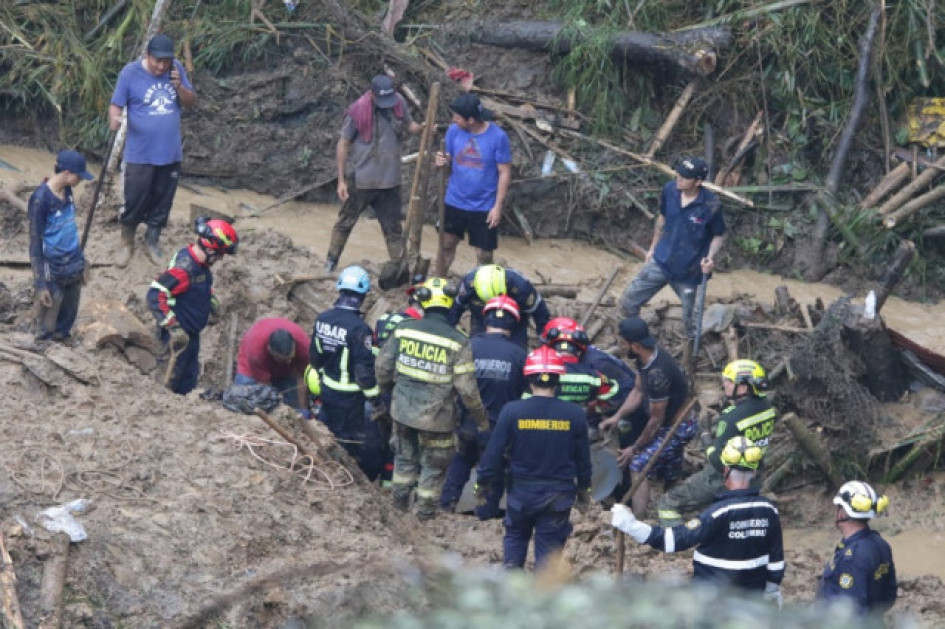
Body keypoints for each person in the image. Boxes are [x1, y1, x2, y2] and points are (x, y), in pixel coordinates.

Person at [611, 436, 784, 603]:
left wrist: (631, 525)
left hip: (712, 601)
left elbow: (673, 540)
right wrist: (772, 590)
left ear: (725, 470)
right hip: (752, 601)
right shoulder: (769, 510)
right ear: (754, 471)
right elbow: (776, 559)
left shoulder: (717, 513)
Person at [376, 277, 488, 520]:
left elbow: (383, 368)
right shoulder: (458, 340)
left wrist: (385, 393)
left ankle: (399, 511)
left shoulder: (404, 329)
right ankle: (425, 519)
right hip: (438, 420)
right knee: (434, 468)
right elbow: (467, 390)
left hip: (402, 413)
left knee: (404, 461)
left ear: (423, 301)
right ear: (450, 303)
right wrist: (481, 420)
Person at [477, 345, 592, 570]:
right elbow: (583, 461)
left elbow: (493, 454)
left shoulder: (512, 411)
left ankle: (513, 585)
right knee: (549, 556)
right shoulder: (574, 414)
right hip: (558, 496)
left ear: (529, 379)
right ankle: (543, 591)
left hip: (521, 494)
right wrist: (584, 489)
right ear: (558, 380)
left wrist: (482, 483)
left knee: (515, 539)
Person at [618, 156, 725, 364]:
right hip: (661, 261)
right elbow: (662, 219)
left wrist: (710, 258)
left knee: (691, 322)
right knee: (629, 301)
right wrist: (652, 249)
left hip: (690, 272)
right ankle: (636, 343)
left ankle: (688, 357)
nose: (679, 179)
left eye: (685, 177)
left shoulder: (710, 204)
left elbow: (718, 235)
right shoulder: (669, 190)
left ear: (698, 181)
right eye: (678, 174)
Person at [657, 359, 777, 527]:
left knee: (668, 503)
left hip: (724, 479)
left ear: (743, 387)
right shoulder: (767, 408)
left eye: (729, 381)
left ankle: (680, 537)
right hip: (754, 477)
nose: (724, 384)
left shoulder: (732, 418)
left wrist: (705, 434)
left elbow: (717, 461)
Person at [109, 34, 196, 267]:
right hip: (140, 154)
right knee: (134, 198)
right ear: (147, 55)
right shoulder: (130, 73)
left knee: (162, 200)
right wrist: (114, 119)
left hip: (170, 153)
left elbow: (190, 102)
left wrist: (179, 86)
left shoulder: (176, 69)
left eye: (166, 62)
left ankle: (152, 241)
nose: (161, 67)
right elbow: (116, 104)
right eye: (157, 61)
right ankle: (126, 241)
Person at [599, 317, 696, 519]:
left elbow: (655, 421)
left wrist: (633, 449)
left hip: (678, 426)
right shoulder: (646, 359)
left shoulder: (657, 374)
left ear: (635, 345)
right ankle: (672, 500)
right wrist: (617, 416)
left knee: (638, 464)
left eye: (623, 344)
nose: (621, 347)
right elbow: (637, 391)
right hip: (667, 422)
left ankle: (638, 520)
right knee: (669, 466)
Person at [440, 295, 528, 518]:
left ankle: (445, 508)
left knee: (460, 463)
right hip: (499, 429)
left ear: (486, 318)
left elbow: (449, 384)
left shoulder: (468, 347)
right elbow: (525, 396)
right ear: (513, 322)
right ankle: (485, 518)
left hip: (467, 423)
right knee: (493, 474)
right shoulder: (520, 356)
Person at [325, 74, 424, 273]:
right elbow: (343, 144)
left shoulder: (398, 103)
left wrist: (424, 127)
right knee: (345, 222)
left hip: (390, 181)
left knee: (393, 229)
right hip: (362, 180)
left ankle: (398, 269)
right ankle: (330, 262)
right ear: (372, 94)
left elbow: (410, 126)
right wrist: (341, 181)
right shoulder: (357, 111)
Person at [309, 265, 388, 481]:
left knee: (327, 433)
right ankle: (342, 479)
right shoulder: (359, 329)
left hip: (327, 390)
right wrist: (376, 400)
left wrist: (323, 375)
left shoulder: (322, 319)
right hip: (349, 398)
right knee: (348, 443)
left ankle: (322, 470)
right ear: (362, 296)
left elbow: (315, 356)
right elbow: (363, 373)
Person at [147, 216, 238, 394]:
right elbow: (155, 294)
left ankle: (187, 398)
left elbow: (200, 287)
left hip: (192, 334)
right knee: (171, 375)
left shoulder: (201, 266)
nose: (220, 259)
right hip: (177, 336)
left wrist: (211, 302)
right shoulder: (184, 270)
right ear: (210, 249)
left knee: (190, 374)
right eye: (219, 254)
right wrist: (173, 327)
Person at [434, 93, 512, 275]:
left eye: (457, 117)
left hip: (484, 205)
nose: (454, 120)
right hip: (455, 200)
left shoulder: (498, 137)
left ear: (471, 120)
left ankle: (483, 286)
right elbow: (447, 162)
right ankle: (439, 280)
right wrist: (440, 162)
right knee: (446, 244)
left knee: (484, 254)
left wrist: (497, 207)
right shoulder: (453, 131)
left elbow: (505, 172)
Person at [28, 150, 94, 343]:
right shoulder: (41, 200)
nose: (81, 180)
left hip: (73, 263)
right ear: (66, 173)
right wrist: (40, 284)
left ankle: (63, 338)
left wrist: (81, 261)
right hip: (53, 267)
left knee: (68, 314)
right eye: (78, 176)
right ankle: (44, 344)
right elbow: (35, 243)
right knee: (48, 320)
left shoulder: (67, 191)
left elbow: (68, 229)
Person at [817, 481, 897, 615]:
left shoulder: (853, 557)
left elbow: (854, 614)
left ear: (842, 513)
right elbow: (889, 595)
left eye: (838, 507)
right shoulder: (880, 544)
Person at [448, 264, 550, 349]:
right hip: (480, 318)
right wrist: (449, 331)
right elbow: (456, 308)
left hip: (515, 321)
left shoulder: (520, 287)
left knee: (516, 353)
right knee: (476, 350)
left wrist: (544, 339)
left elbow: (539, 310)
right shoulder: (468, 284)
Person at [540, 317, 616, 416]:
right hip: (578, 422)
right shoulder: (595, 377)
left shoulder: (537, 374)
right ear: (579, 350)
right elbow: (611, 393)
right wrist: (592, 408)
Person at [235, 318, 310, 410]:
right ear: (270, 350)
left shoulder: (303, 345)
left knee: (294, 402)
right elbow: (266, 387)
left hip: (283, 371)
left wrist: (303, 408)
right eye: (284, 359)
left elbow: (302, 376)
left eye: (291, 357)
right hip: (252, 369)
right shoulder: (256, 353)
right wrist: (279, 408)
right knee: (246, 399)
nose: (289, 362)